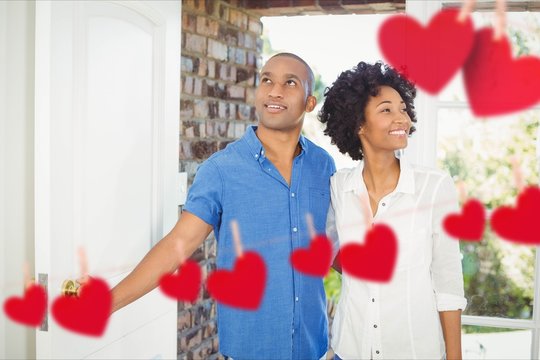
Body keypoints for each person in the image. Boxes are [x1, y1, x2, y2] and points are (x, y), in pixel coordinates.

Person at [106, 53, 336, 359]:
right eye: (267, 80)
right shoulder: (221, 170)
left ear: (310, 102)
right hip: (248, 351)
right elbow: (178, 244)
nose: (274, 91)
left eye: (289, 83)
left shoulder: (323, 165)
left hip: (314, 348)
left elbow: (334, 247)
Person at [319, 61, 467, 360]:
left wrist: (454, 356)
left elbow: (447, 280)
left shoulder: (434, 187)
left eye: (403, 109)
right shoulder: (338, 186)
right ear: (358, 123)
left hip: (415, 351)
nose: (402, 118)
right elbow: (329, 246)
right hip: (349, 351)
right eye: (386, 110)